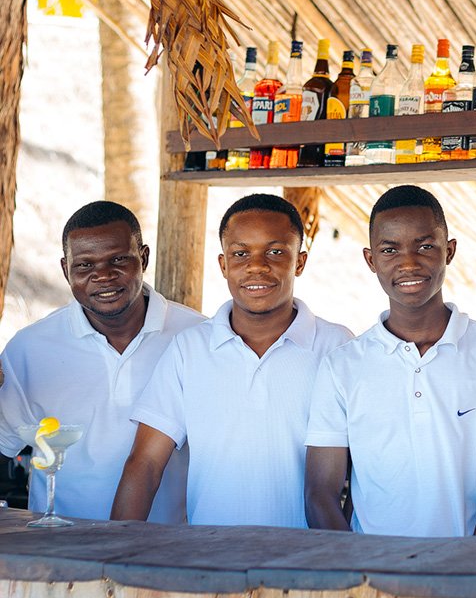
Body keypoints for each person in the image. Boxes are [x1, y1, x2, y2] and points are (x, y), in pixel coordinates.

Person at [111, 194, 352, 527]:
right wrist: (114, 551)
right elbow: (146, 463)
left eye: (276, 251)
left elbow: (366, 463)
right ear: (224, 265)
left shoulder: (337, 346)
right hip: (210, 559)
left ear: (300, 261)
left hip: (306, 561)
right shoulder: (189, 349)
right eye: (241, 253)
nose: (257, 266)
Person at [304, 185, 476, 536]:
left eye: (425, 246)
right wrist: (356, 568)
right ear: (370, 260)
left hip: (469, 565)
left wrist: (474, 562)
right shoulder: (342, 365)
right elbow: (320, 493)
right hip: (370, 571)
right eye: (390, 250)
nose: (408, 263)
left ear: (449, 251)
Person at [0, 201, 203, 521]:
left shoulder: (199, 338)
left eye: (119, 259)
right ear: (66, 270)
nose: (104, 276)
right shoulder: (29, 348)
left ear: (144, 258)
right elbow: (4, 447)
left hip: (172, 548)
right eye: (84, 266)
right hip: (60, 548)